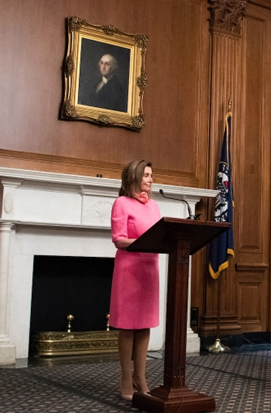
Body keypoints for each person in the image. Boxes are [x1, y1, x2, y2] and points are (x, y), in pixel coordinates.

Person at [108, 159, 160, 401]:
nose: (150, 180)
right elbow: (119, 239)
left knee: (144, 325)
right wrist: (146, 243)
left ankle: (141, 376)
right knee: (128, 327)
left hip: (150, 270)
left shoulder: (155, 207)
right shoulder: (121, 203)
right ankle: (126, 377)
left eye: (151, 175)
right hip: (129, 270)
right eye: (147, 175)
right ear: (135, 177)